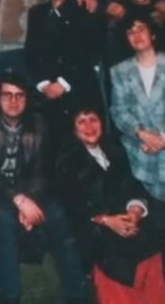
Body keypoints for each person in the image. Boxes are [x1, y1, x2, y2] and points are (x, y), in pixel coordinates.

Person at [0, 74, 88, 304]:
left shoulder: (38, 123)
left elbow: (42, 171)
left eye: (19, 95)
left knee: (57, 213)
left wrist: (28, 201)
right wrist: (19, 200)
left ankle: (78, 294)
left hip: (28, 191)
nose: (13, 101)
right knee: (4, 216)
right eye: (7, 95)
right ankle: (10, 296)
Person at [56, 107, 164, 304]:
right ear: (73, 129)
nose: (89, 126)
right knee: (115, 257)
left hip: (128, 221)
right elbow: (73, 205)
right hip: (95, 227)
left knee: (153, 241)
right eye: (81, 121)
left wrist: (135, 210)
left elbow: (132, 186)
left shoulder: (115, 149)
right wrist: (107, 220)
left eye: (93, 119)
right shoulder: (67, 161)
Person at [25, 0, 103, 146]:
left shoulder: (84, 10)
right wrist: (43, 84)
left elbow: (89, 53)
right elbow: (31, 53)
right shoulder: (37, 13)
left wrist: (63, 83)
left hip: (78, 90)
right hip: (46, 94)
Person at [110, 15, 165, 214]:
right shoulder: (119, 71)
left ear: (152, 34)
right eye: (130, 32)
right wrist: (142, 134)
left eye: (141, 29)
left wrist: (161, 138)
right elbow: (118, 111)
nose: (136, 35)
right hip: (138, 152)